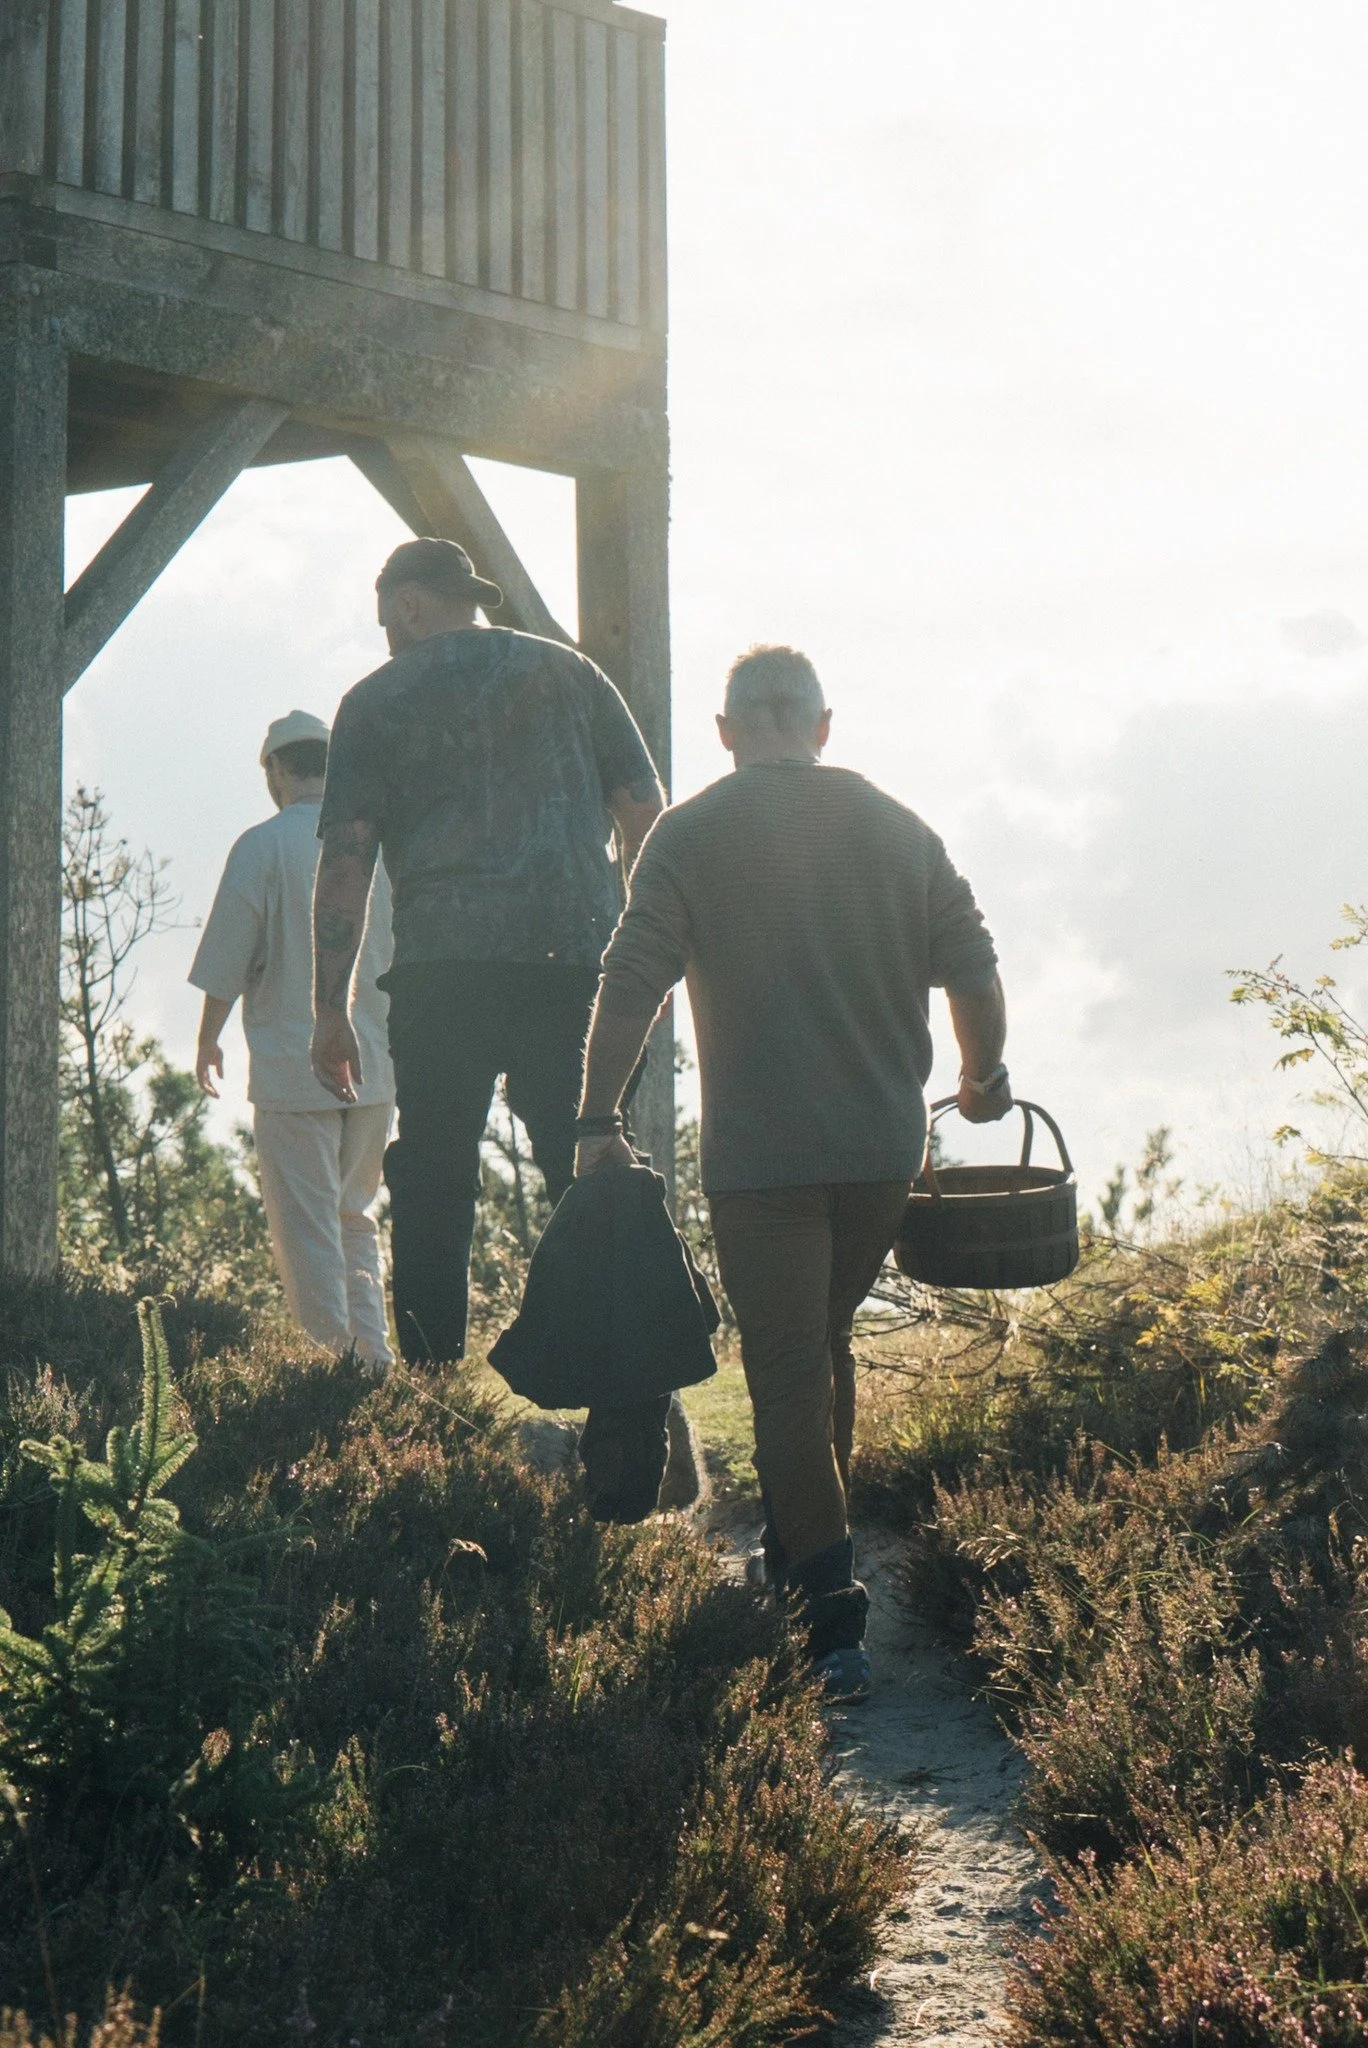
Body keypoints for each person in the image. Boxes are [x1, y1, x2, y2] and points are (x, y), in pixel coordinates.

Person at [574, 645, 1011, 1699]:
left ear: (726, 732)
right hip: (878, 1153)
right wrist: (982, 1074)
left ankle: (828, 1616)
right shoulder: (899, 826)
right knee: (818, 1340)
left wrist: (596, 1118)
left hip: (763, 1161)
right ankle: (803, 1540)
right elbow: (976, 965)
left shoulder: (689, 834)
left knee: (782, 1369)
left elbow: (631, 981)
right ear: (823, 725)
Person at [310, 537, 665, 1365]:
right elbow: (647, 817)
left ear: (407, 604)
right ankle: (637, 1387)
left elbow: (347, 860)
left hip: (445, 973)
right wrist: (646, 951)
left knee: (434, 1177)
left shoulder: (375, 699)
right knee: (591, 1166)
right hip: (576, 964)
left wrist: (330, 1011)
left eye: (385, 620)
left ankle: (437, 1392)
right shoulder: (574, 675)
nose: (386, 636)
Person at [190, 711, 396, 1367]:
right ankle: (374, 1364)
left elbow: (230, 949)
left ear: (276, 769)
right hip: (376, 1068)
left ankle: (331, 1375)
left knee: (307, 1232)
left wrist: (207, 1039)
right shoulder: (377, 844)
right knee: (355, 1219)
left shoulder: (262, 845)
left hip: (292, 1070)